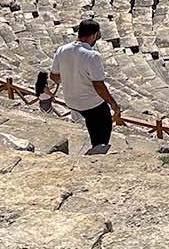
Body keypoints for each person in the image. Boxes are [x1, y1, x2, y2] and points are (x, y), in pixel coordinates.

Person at [49, 20, 121, 155]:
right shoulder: (92, 56)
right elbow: (98, 85)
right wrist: (113, 104)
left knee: (91, 121)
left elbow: (54, 77)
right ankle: (97, 153)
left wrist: (70, 78)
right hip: (90, 103)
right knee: (103, 124)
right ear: (94, 35)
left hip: (71, 101)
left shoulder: (62, 50)